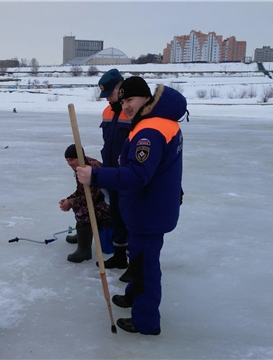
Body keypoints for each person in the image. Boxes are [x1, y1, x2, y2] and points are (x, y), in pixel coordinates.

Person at [76, 76, 186, 335]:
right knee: (138, 261)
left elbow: (137, 176)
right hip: (150, 208)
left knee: (145, 267)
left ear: (147, 98)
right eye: (123, 100)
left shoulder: (149, 132)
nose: (126, 106)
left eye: (131, 100)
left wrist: (95, 176)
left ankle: (146, 321)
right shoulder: (157, 123)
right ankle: (132, 296)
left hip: (149, 212)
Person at [96, 68, 131, 282]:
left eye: (110, 92)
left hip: (129, 175)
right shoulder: (108, 111)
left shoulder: (134, 110)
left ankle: (134, 262)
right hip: (111, 172)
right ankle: (119, 256)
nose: (108, 97)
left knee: (131, 219)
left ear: (120, 88)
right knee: (117, 216)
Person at [59, 144, 110, 263]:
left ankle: (84, 250)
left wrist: (70, 202)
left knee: (84, 210)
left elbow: (90, 198)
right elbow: (80, 191)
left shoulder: (91, 168)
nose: (69, 163)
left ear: (80, 157)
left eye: (71, 160)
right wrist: (68, 200)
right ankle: (82, 236)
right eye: (67, 161)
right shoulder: (81, 167)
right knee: (78, 205)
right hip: (98, 199)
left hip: (109, 204)